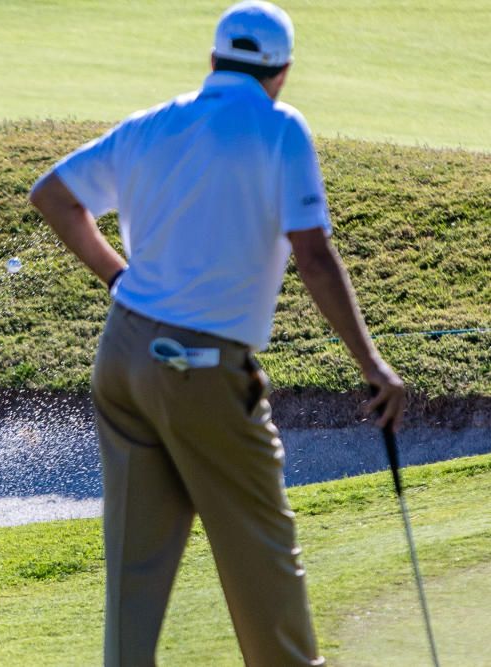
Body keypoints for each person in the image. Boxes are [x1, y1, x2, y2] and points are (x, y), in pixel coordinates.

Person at [29, 2, 406, 665]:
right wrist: (372, 363)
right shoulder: (279, 128)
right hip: (198, 365)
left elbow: (54, 195)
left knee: (133, 567)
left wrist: (119, 280)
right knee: (263, 551)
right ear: (282, 72)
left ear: (211, 62)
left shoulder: (153, 123)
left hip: (122, 355)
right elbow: (314, 257)